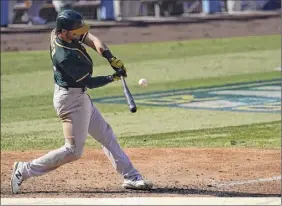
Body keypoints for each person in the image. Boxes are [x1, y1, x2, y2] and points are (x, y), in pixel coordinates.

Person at [10, 9, 153, 194]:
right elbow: (89, 82)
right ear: (63, 32)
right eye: (75, 31)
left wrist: (110, 57)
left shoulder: (60, 33)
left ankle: (131, 176)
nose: (79, 33)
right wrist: (112, 78)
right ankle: (23, 170)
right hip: (70, 100)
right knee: (73, 151)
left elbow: (92, 39)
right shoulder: (64, 56)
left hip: (78, 96)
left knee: (105, 135)